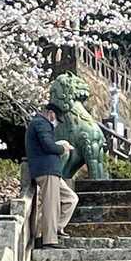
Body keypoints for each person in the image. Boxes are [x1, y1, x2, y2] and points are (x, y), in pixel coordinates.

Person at [26, 102, 77, 249]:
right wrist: (62, 148)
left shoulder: (38, 123)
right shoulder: (41, 123)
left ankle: (55, 229)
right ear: (51, 114)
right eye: (56, 119)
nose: (56, 123)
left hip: (51, 171)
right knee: (50, 205)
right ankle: (48, 239)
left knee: (70, 199)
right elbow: (48, 145)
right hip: (46, 170)